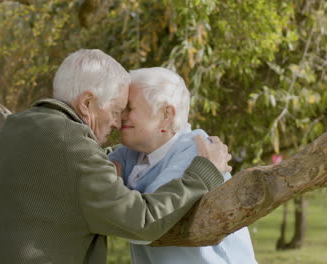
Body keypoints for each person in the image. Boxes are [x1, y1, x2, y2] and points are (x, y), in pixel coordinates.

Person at [0, 49, 232, 264]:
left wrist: (101, 167)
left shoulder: (17, 127)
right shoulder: (74, 149)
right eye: (117, 110)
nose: (118, 123)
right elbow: (141, 222)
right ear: (87, 103)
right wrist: (203, 173)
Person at [109, 67, 257, 264]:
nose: (121, 116)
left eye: (130, 107)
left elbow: (145, 222)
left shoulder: (198, 150)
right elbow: (87, 169)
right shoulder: (132, 153)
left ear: (166, 115)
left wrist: (115, 189)